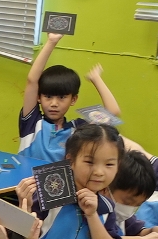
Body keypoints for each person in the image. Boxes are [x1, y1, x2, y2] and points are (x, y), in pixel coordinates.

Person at [16, 121, 124, 239]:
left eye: (109, 164)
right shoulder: (50, 192)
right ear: (70, 161)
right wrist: (25, 208)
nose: (99, 172)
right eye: (89, 162)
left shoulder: (106, 207)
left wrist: (92, 215)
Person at [20, 30, 121, 163]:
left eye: (62, 97)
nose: (54, 103)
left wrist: (96, 79)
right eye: (48, 96)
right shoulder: (32, 122)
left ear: (73, 99)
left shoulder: (78, 129)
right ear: (39, 97)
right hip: (27, 177)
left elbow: (113, 112)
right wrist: (51, 42)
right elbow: (32, 80)